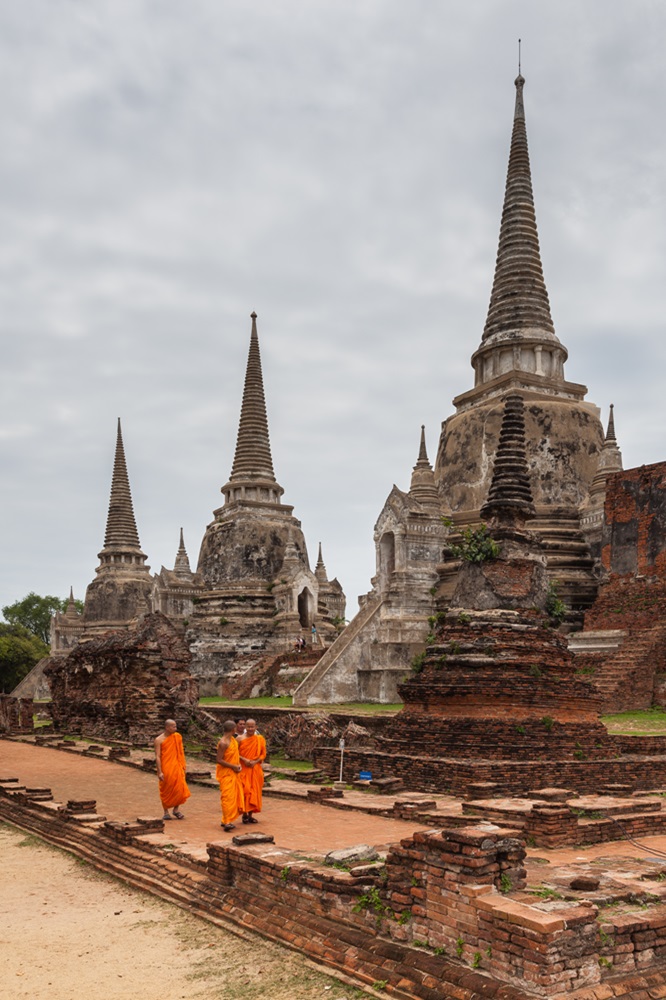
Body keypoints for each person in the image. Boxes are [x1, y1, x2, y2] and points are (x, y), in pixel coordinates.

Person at [154, 719, 190, 821]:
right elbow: (157, 756)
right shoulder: (159, 740)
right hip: (166, 767)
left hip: (177, 766)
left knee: (179, 789)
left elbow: (180, 752)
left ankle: (176, 810)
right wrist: (159, 771)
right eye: (173, 726)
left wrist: (183, 766)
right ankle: (166, 812)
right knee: (166, 788)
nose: (175, 728)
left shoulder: (177, 737)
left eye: (175, 726)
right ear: (167, 727)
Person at [216, 720, 245, 831]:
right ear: (233, 730)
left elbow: (235, 756)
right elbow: (219, 759)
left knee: (232, 797)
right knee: (227, 797)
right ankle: (227, 821)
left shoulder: (233, 740)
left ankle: (225, 820)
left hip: (233, 772)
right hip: (226, 773)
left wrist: (237, 766)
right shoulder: (224, 742)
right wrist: (233, 766)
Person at [239, 718, 267, 825]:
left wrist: (255, 762)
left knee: (254, 792)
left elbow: (263, 754)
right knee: (245, 791)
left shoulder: (260, 739)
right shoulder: (239, 739)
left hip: (255, 769)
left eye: (252, 726)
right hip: (244, 769)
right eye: (248, 726)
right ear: (245, 727)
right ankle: (244, 814)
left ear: (256, 727)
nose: (250, 729)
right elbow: (234, 753)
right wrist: (244, 759)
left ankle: (250, 815)